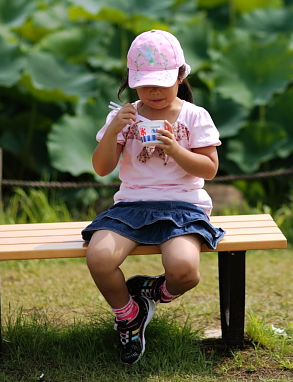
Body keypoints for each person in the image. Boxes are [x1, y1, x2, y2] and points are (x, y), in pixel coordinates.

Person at [82, 29, 225, 366]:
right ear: (132, 82)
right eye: (145, 84)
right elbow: (102, 168)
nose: (154, 91)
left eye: (162, 81)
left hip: (183, 208)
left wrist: (175, 149)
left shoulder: (194, 116)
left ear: (180, 75)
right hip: (132, 205)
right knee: (99, 258)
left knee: (185, 271)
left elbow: (209, 169)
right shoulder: (124, 115)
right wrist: (115, 129)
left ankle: (154, 293)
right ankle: (127, 315)